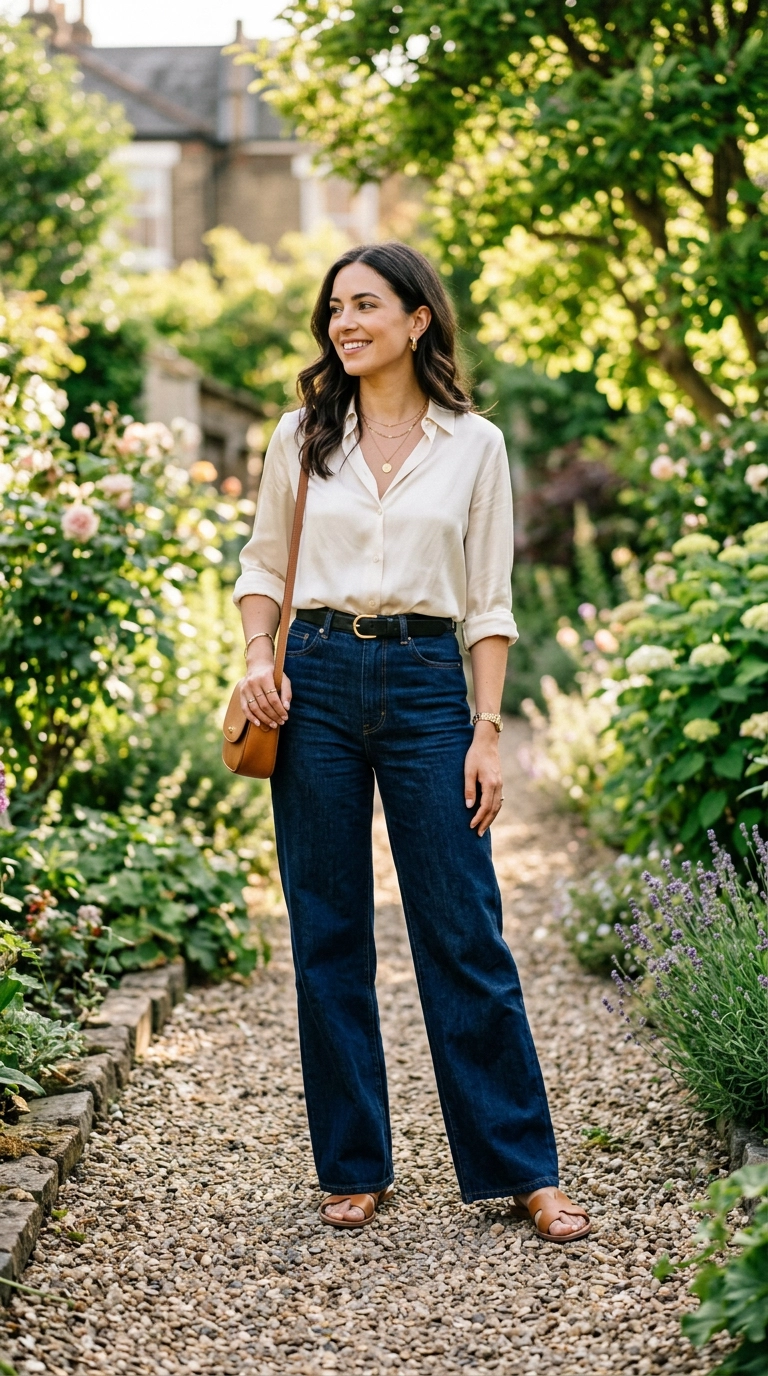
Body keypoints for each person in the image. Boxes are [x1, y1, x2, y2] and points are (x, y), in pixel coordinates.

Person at [233, 241, 590, 1242]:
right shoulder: (301, 433)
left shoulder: (474, 444)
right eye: (334, 309)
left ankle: (524, 1166)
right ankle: (352, 1163)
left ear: (417, 318)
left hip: (432, 684)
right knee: (327, 927)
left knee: (464, 927)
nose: (345, 324)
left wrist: (487, 729)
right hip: (315, 677)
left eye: (365, 305)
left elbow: (488, 602)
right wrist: (260, 651)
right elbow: (264, 562)